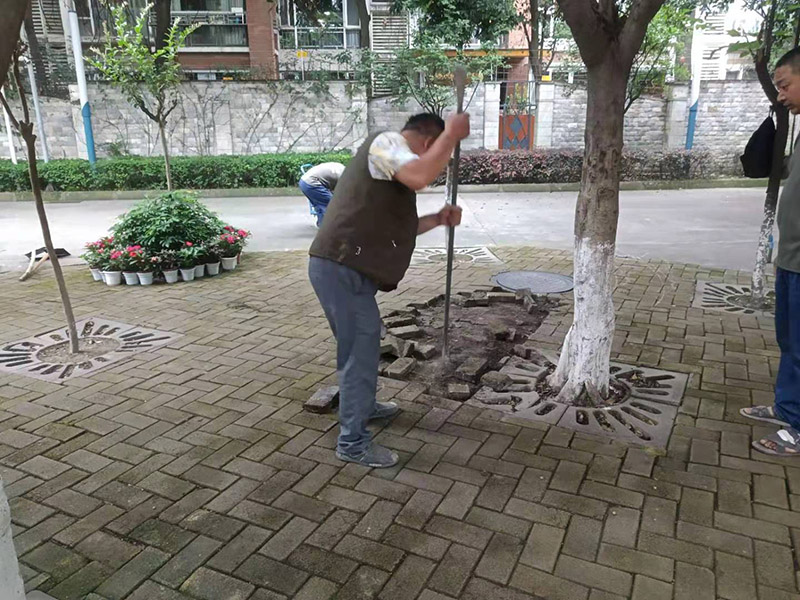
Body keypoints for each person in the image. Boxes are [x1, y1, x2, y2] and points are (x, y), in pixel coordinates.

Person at [308, 112, 469, 468]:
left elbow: (401, 229)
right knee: (359, 356)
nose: (438, 165)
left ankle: (365, 407)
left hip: (345, 270)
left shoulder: (388, 169)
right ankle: (352, 443)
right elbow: (420, 175)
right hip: (340, 268)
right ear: (427, 143)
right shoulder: (386, 143)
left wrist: (439, 219)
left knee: (362, 349)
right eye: (438, 153)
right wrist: (452, 136)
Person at [742, 47, 800, 456]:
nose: (780, 95)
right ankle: (787, 407)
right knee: (790, 342)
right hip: (791, 260)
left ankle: (796, 427)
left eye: (785, 85)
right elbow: (763, 167)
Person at [299, 162, 346, 227]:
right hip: (311, 184)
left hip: (304, 181)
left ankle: (322, 226)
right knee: (330, 205)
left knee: (320, 205)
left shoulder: (341, 169)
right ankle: (329, 228)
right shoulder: (343, 176)